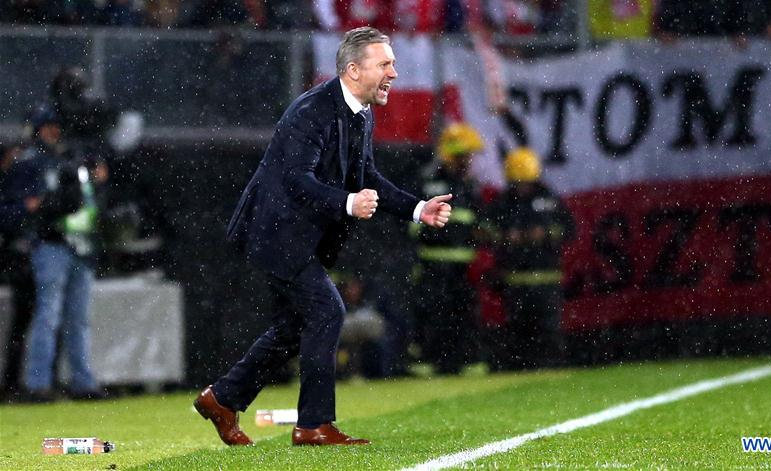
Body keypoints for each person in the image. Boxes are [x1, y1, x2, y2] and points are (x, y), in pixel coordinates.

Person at [193, 26, 453, 447]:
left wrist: (418, 208)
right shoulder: (311, 111)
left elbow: (366, 175)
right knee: (327, 309)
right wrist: (349, 203)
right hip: (273, 232)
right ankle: (313, 424)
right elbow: (297, 179)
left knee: (298, 325)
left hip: (297, 234)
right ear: (353, 70)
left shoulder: (361, 112)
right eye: (385, 64)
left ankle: (222, 398)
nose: (395, 73)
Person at [16, 107, 107, 401]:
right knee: (49, 316)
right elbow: (29, 205)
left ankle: (81, 382)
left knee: (76, 319)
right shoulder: (34, 162)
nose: (54, 132)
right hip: (52, 244)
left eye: (57, 126)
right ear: (38, 130)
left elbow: (52, 203)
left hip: (79, 244)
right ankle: (38, 383)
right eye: (48, 127)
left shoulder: (71, 159)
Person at [483, 148, 574, 370]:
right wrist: (505, 237)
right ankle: (519, 371)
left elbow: (569, 229)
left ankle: (551, 370)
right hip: (515, 281)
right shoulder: (503, 202)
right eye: (518, 183)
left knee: (548, 331)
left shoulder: (548, 199)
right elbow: (484, 231)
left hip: (546, 280)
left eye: (526, 182)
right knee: (518, 332)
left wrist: (545, 234)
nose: (523, 187)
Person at [412, 123, 484, 374]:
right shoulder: (430, 183)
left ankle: (464, 361)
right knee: (433, 313)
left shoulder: (469, 186)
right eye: (465, 156)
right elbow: (415, 225)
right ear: (453, 156)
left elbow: (477, 222)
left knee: (462, 314)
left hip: (462, 267)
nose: (469, 161)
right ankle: (428, 362)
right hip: (433, 264)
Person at [0, 142, 40, 399]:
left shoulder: (14, 182)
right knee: (20, 324)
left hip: (17, 258)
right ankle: (12, 381)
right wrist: (24, 208)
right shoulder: (10, 186)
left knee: (22, 323)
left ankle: (14, 381)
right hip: (12, 257)